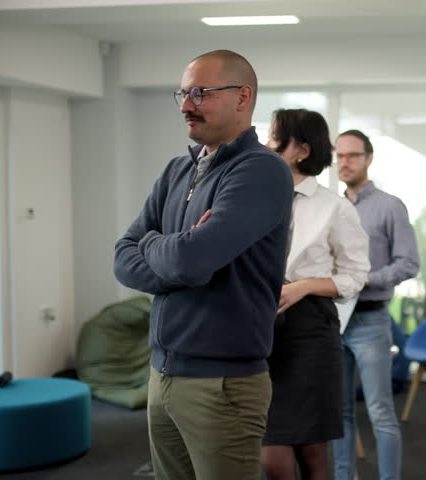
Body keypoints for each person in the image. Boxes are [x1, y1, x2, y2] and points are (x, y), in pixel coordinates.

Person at [113, 50, 292, 480]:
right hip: (162, 373)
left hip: (222, 385)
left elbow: (193, 260)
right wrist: (172, 250)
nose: (186, 106)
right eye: (183, 93)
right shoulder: (177, 170)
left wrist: (155, 243)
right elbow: (123, 257)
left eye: (201, 93)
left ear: (243, 96)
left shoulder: (260, 171)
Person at [260, 109, 371, 480]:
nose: (266, 144)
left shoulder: (335, 207)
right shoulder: (256, 201)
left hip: (310, 331)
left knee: (312, 454)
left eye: (275, 137)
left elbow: (356, 276)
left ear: (302, 150)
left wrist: (304, 286)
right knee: (272, 459)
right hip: (260, 332)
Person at [331, 129, 419, 480]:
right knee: (340, 413)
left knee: (381, 413)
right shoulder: (332, 207)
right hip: (334, 320)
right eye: (339, 156)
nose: (345, 162)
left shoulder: (390, 206)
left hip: (370, 320)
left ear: (368, 159)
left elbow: (409, 263)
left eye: (352, 155)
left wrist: (364, 279)